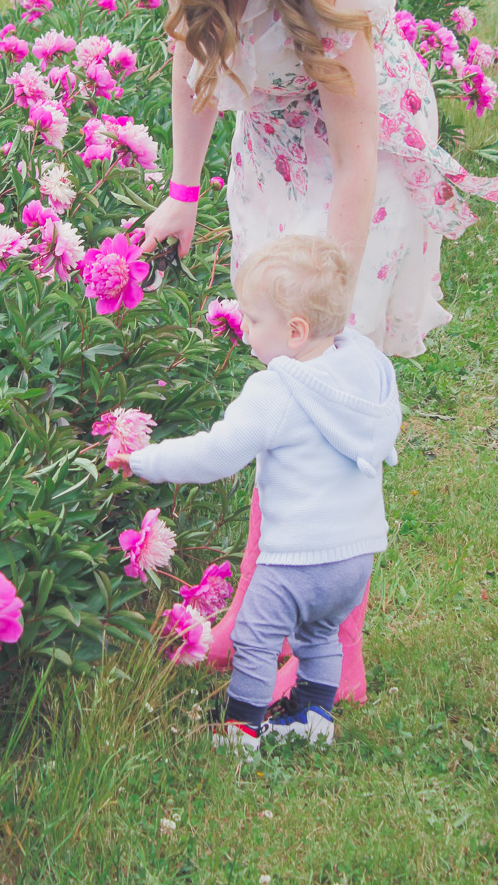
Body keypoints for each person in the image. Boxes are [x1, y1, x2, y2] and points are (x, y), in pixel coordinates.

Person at [95, 0, 498, 701]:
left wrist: (329, 297)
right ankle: (258, 617)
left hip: (358, 175)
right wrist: (182, 193)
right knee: (281, 386)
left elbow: (355, 159)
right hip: (271, 157)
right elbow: (194, 71)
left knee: (322, 393)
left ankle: (333, 645)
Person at [118, 235, 402, 752]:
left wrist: (144, 461)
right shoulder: (365, 368)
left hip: (297, 559)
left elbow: (215, 454)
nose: (243, 327)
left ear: (295, 331)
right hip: (355, 559)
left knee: (254, 638)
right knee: (318, 634)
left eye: (252, 318)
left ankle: (241, 731)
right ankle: (314, 719)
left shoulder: (277, 391)